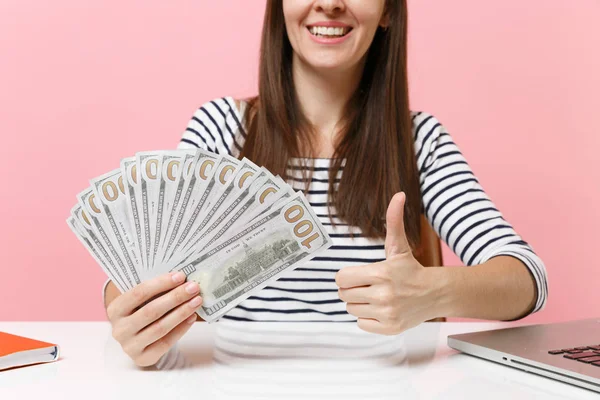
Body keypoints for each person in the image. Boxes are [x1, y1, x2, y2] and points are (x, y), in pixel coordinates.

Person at [104, 0, 548, 367]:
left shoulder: (418, 142)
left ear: (389, 11)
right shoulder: (223, 130)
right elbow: (142, 263)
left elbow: (527, 279)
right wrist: (131, 312)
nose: (330, 3)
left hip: (382, 386)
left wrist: (432, 292)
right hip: (236, 384)